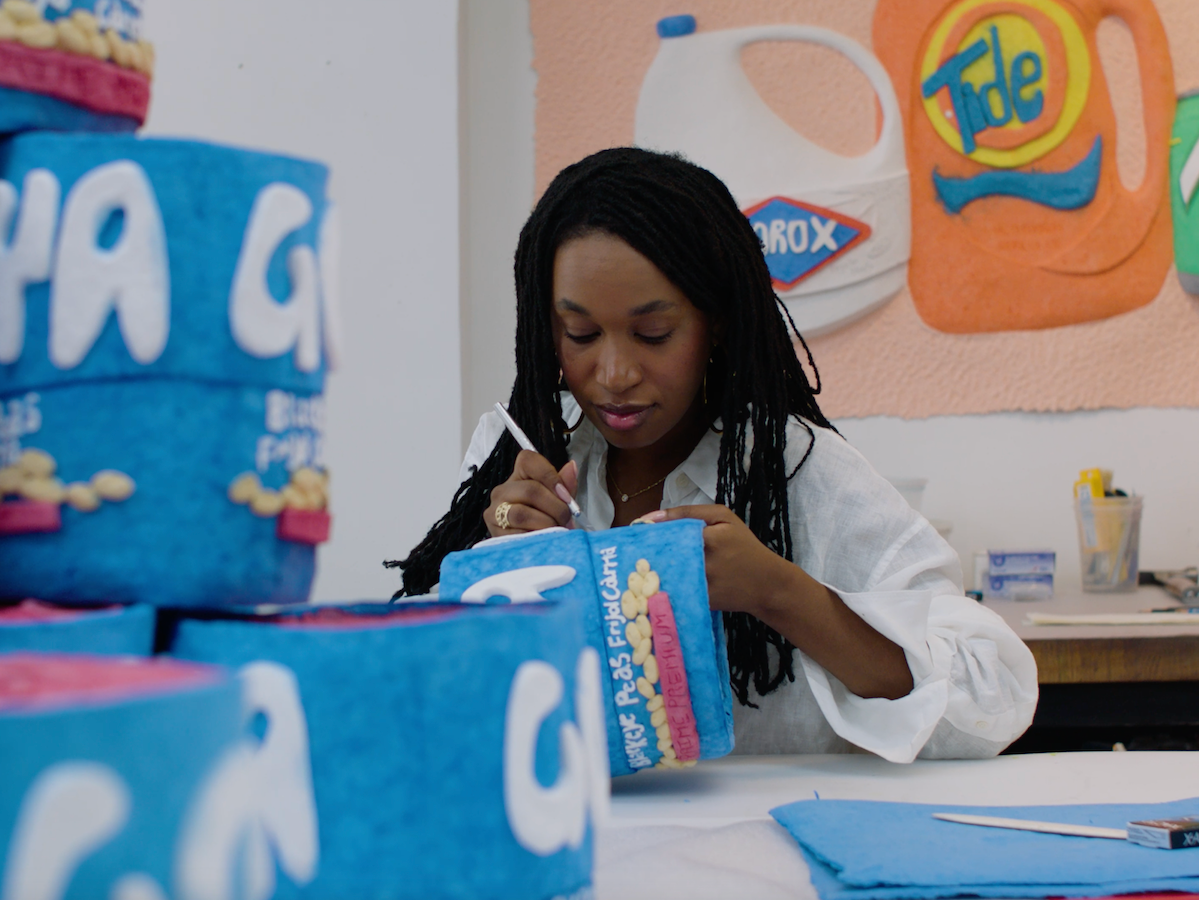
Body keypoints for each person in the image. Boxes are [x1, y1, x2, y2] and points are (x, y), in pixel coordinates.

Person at [389, 147, 1036, 761]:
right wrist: (489, 571)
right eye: (579, 333)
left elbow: (991, 698)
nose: (612, 373)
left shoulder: (792, 470)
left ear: (716, 322)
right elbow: (422, 695)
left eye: (652, 333)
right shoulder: (521, 458)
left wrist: (778, 593)